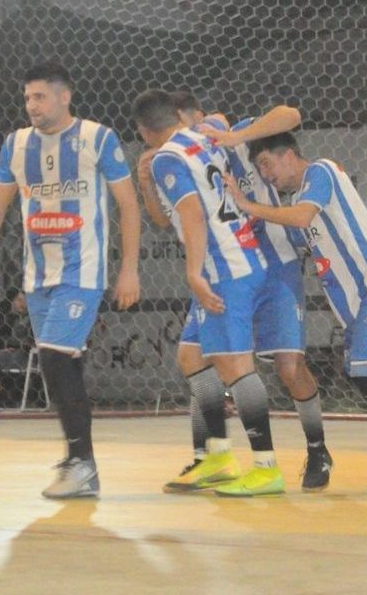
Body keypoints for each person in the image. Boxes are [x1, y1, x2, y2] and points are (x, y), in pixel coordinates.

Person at [139, 92, 333, 493]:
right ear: (182, 118)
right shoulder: (197, 147)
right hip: (232, 259)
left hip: (261, 263)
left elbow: (291, 111)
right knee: (195, 355)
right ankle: (214, 455)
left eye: (206, 117)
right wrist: (146, 179)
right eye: (199, 119)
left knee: (283, 367)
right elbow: (169, 217)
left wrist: (232, 136)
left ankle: (305, 453)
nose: (205, 122)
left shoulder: (228, 137)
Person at [0, 61, 141, 499]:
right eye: (27, 97)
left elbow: (128, 205)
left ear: (65, 96)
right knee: (63, 365)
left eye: (39, 96)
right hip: (37, 276)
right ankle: (80, 462)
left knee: (55, 359)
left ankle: (81, 464)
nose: (31, 105)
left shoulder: (97, 138)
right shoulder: (16, 144)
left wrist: (130, 269)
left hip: (81, 272)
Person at [231, 131, 367, 493]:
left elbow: (302, 218)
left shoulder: (320, 173)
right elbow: (298, 230)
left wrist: (248, 204)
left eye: (266, 164)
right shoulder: (303, 199)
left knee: (364, 372)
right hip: (356, 302)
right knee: (360, 375)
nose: (266, 174)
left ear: (289, 155)